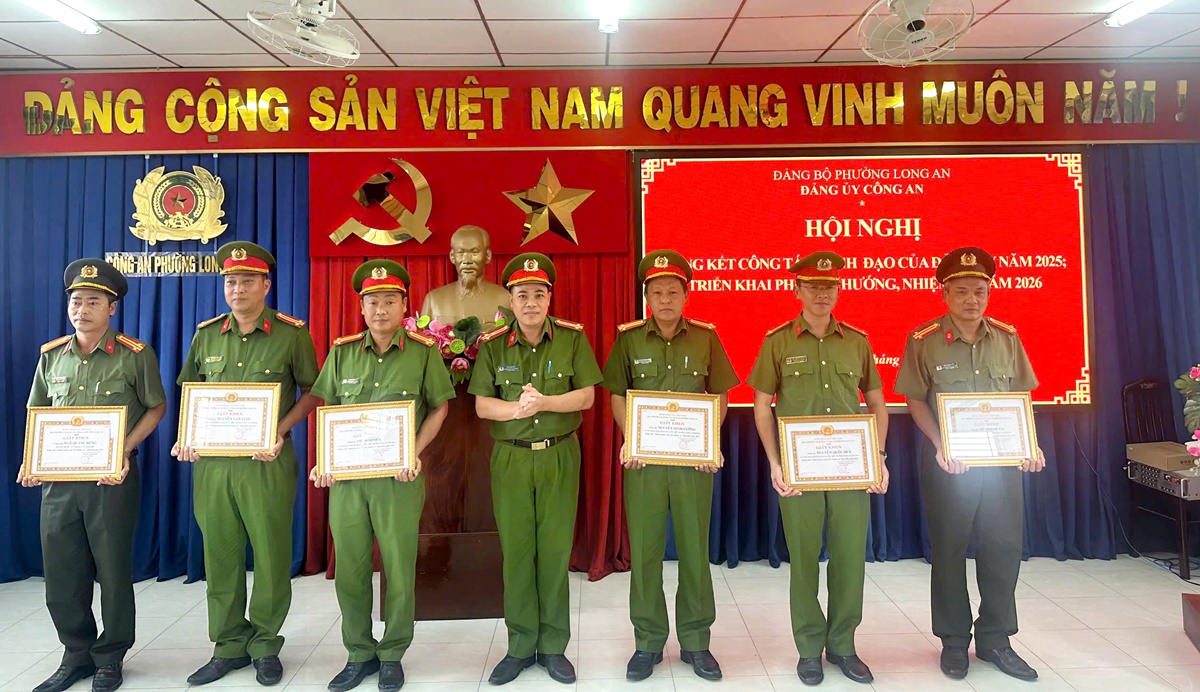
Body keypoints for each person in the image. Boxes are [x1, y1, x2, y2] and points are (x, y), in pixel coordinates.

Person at [172, 241, 320, 687]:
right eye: (231, 281)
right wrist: (187, 437)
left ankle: (265, 644)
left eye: (247, 281)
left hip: (266, 461)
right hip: (214, 465)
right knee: (220, 555)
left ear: (266, 285)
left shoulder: (291, 334)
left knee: (272, 554)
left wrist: (281, 431)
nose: (237, 289)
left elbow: (313, 392)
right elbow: (191, 391)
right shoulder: (206, 335)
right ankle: (228, 645)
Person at [894, 247, 1044, 682]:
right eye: (961, 291)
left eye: (979, 291)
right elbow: (915, 400)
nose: (971, 300)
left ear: (989, 292)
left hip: (1001, 465)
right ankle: (954, 641)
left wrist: (1030, 444)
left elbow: (1020, 397)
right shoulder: (923, 340)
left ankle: (996, 639)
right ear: (944, 294)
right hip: (949, 462)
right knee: (949, 550)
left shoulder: (1007, 338)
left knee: (1003, 549)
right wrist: (940, 444)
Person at [21, 259, 166, 692]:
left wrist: (124, 448)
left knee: (113, 570)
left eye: (93, 302)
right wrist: (31, 459)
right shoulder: (51, 357)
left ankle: (111, 656)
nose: (82, 310)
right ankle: (76, 653)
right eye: (76, 301)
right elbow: (37, 412)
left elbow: (156, 406)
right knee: (62, 572)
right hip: (59, 484)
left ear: (112, 307)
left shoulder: (135, 355)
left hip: (111, 481)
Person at [310, 260, 455, 692]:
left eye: (389, 301)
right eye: (372, 301)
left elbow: (440, 407)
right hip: (348, 483)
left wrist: (415, 450)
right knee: (351, 570)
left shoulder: (423, 352)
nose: (380, 309)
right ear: (361, 307)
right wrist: (325, 460)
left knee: (398, 568)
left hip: (399, 480)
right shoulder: (342, 352)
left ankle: (392, 653)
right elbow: (328, 410)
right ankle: (358, 652)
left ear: (404, 306)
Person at [747, 251, 889, 686]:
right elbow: (762, 406)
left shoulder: (857, 342)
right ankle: (809, 648)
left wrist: (878, 458)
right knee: (804, 560)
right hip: (799, 473)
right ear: (797, 290)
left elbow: (877, 402)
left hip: (851, 471)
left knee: (849, 559)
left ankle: (843, 645)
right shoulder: (778, 342)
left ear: (839, 290)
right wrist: (775, 462)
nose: (821, 294)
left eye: (829, 287)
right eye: (812, 286)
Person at [601, 250, 739, 682]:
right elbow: (617, 394)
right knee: (645, 553)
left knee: (695, 552)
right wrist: (631, 437)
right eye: (657, 292)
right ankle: (648, 642)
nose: (665, 299)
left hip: (692, 465)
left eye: (673, 292)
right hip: (644, 463)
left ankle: (696, 641)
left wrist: (708, 441)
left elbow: (720, 394)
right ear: (646, 297)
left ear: (686, 296)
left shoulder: (705, 338)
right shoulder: (629, 339)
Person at [468, 253, 603, 686]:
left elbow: (587, 397)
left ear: (549, 299)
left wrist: (544, 403)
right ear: (510, 299)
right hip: (511, 457)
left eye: (539, 294)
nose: (530, 302)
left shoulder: (571, 339)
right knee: (517, 552)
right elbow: (482, 405)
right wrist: (517, 410)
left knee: (555, 551)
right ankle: (520, 646)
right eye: (522, 294)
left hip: (559, 455)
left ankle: (553, 646)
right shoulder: (493, 345)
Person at [420, 225, 511, 328]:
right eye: (461, 252)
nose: (467, 260)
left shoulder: (504, 299)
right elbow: (422, 336)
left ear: (487, 256)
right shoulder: (433, 300)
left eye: (474, 252)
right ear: (452, 256)